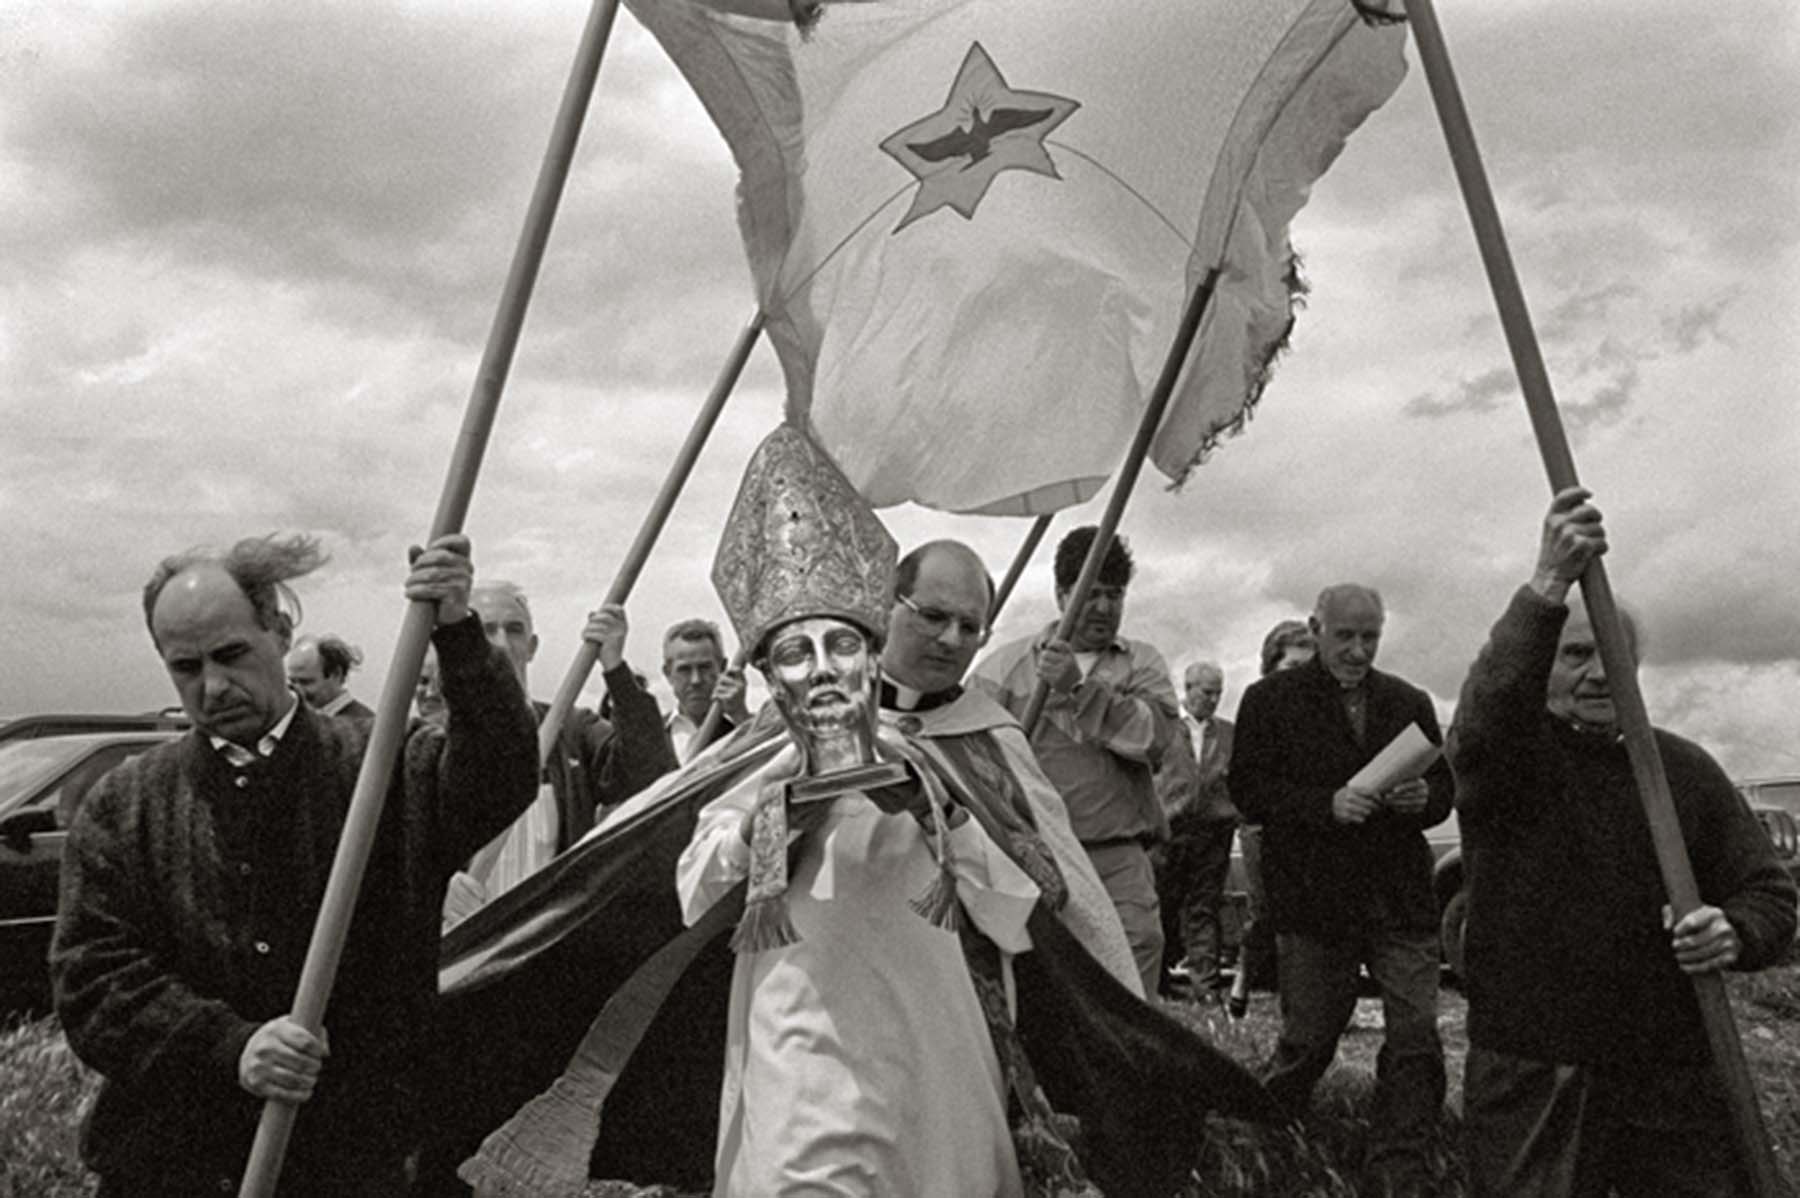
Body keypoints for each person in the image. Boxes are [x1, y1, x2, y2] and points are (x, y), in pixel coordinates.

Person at [440, 433, 1280, 1198]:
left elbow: (1031, 907)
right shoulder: (779, 733)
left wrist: (942, 816)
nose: (952, 638)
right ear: (888, 608)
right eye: (933, 617)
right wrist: (782, 815)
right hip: (797, 1022)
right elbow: (692, 885)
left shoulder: (983, 739)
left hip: (933, 1026)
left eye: (969, 625)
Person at [50, 532, 538, 1197]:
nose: (214, 686)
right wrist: (228, 1046)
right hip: (169, 1164)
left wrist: (456, 631)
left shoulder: (384, 766)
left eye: (231, 655)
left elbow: (502, 779)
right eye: (186, 668)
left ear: (279, 632)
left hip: (341, 1158)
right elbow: (91, 982)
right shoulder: (127, 802)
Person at [1451, 487, 1796, 1197]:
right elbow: (1486, 714)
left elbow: (1769, 891)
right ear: (1544, 663)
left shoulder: (1683, 769)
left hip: (1670, 1060)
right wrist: (1546, 586)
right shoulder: (1510, 759)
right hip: (1537, 1061)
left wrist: (1733, 930)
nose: (1601, 670)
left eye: (1614, 653)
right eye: (1578, 652)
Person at [1232, 583, 1454, 1194]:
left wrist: (1422, 799)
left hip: (1398, 898)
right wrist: (1324, 805)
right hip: (1316, 899)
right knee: (1309, 1039)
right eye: (1345, 636)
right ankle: (1266, 1130)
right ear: (1317, 627)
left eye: (1370, 637)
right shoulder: (1269, 701)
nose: (1358, 650)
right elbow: (1248, 790)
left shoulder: (1407, 700)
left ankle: (1398, 1164)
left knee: (1415, 1038)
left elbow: (1443, 788)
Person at [973, 526, 1182, 998]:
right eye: (1092, 594)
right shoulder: (1003, 668)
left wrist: (1078, 691)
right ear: (1062, 593)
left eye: (1115, 595)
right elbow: (976, 754)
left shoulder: (1141, 663)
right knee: (1046, 972)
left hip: (1117, 851)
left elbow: (1155, 739)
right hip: (1040, 854)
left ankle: (1129, 1066)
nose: (1106, 608)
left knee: (1138, 948)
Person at [452, 585, 676, 911]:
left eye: (514, 630)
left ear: (532, 647)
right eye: (486, 630)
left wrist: (614, 665)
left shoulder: (571, 729)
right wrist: (436, 887)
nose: (501, 642)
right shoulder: (431, 741)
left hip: (547, 940)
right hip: (460, 943)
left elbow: (647, 770)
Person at [1229, 618, 1317, 1016]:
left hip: (1312, 831)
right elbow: (1246, 785)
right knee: (1266, 913)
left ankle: (1302, 1006)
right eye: (1292, 668)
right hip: (1264, 829)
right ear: (1272, 669)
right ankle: (1242, 983)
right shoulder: (1259, 711)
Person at [1154, 660, 1235, 997]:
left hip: (1213, 831)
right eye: (1207, 691)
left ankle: (1206, 986)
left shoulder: (1229, 733)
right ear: (1187, 690)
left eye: (1218, 692)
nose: (1213, 699)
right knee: (1163, 904)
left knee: (1204, 906)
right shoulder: (1164, 729)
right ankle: (1158, 981)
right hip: (1169, 829)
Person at [663, 617, 751, 762]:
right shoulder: (649, 738)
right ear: (668, 674)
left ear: (722, 668)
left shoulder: (742, 729)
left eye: (704, 668)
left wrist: (740, 715)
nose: (696, 680)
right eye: (684, 670)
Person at [285, 632, 373, 722]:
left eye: (306, 682)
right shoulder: (297, 721)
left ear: (336, 674)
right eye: (292, 682)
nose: (298, 691)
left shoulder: (364, 725)